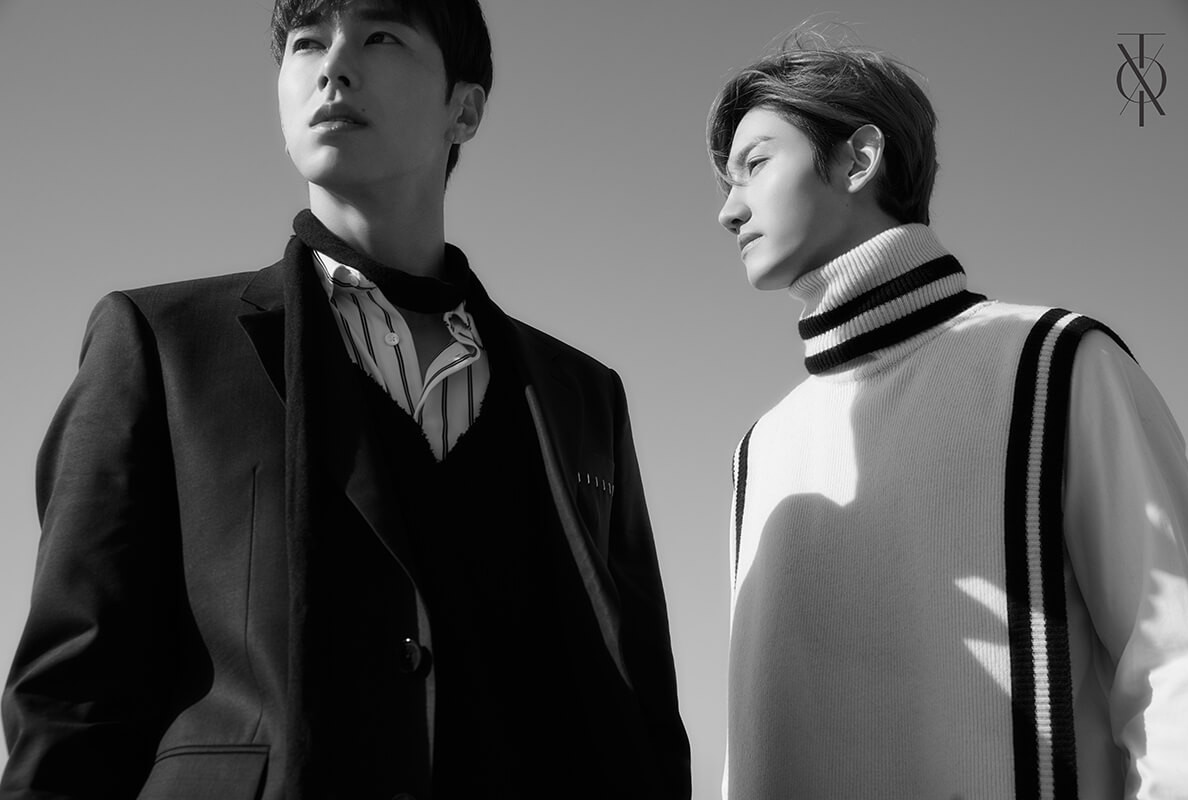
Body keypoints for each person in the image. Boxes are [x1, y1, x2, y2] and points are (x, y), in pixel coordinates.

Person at [1, 1, 690, 797]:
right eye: (306, 43)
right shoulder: (161, 344)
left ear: (464, 110)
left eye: (380, 35)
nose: (332, 66)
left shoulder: (582, 395)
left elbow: (641, 707)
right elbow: (73, 699)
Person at [708, 30, 1188, 800]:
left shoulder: (1053, 361)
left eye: (756, 164)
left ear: (858, 159)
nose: (727, 211)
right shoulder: (761, 449)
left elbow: (1178, 665)